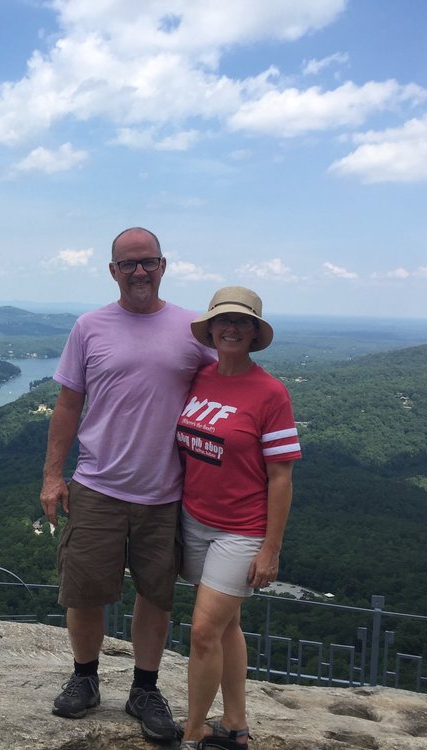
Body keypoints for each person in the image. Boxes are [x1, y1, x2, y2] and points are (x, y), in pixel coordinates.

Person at [40, 227, 216, 742]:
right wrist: (52, 475)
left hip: (166, 491)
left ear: (164, 265)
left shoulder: (193, 329)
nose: (140, 271)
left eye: (148, 261)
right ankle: (85, 678)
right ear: (112, 271)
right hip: (97, 484)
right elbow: (68, 405)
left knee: (155, 596)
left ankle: (144, 689)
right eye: (129, 263)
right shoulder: (89, 327)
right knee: (84, 592)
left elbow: (227, 390)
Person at [175, 286, 301, 749]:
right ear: (210, 328)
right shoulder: (200, 377)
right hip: (194, 519)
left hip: (242, 530)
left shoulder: (270, 393)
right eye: (223, 320)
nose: (231, 328)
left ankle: (193, 733)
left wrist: (271, 548)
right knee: (227, 625)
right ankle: (235, 724)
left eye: (242, 321)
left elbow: (281, 477)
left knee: (203, 631)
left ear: (254, 332)